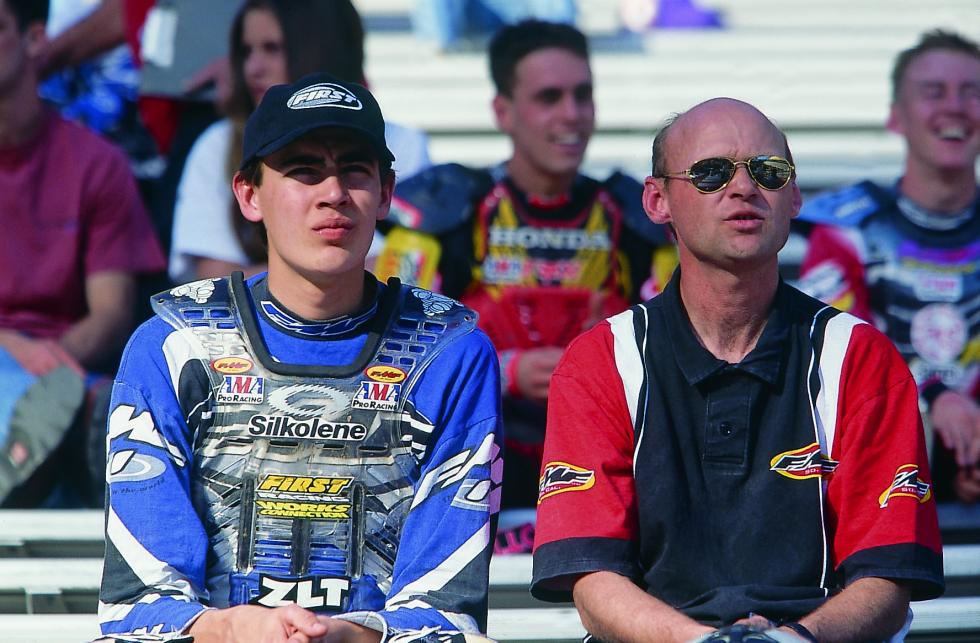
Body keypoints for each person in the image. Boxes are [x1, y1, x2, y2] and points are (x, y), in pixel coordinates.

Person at [99, 72, 502, 643]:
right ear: (249, 195)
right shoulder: (172, 344)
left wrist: (346, 637)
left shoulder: (449, 351)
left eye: (355, 170)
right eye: (303, 170)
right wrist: (233, 629)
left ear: (386, 193)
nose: (333, 192)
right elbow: (135, 610)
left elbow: (447, 612)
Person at [531, 98, 945, 642]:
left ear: (794, 196)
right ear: (658, 201)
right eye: (710, 173)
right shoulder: (601, 360)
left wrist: (787, 640)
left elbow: (888, 580)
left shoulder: (862, 359)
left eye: (769, 171)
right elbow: (593, 581)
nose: (744, 187)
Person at [376, 19, 671, 524]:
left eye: (583, 95)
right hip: (466, 468)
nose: (572, 115)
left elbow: (677, 351)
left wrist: (595, 373)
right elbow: (388, 354)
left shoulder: (641, 219)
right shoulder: (444, 215)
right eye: (549, 97)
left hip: (612, 468)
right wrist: (505, 370)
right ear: (502, 111)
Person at [798, 30, 980, 504]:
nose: (955, 107)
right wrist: (934, 398)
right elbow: (836, 358)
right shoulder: (846, 229)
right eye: (933, 92)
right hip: (875, 472)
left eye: (972, 91)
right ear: (896, 117)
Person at [0, 0, 165, 506]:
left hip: (65, 374)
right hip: (27, 369)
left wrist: (48, 373)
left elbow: (111, 313)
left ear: (34, 39)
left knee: (91, 400)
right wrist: (15, 350)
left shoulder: (96, 164)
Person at [169, 0, 432, 285]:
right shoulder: (217, 145)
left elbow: (415, 268)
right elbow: (211, 278)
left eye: (272, 48)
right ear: (246, 193)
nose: (253, 68)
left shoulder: (402, 143)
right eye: (246, 51)